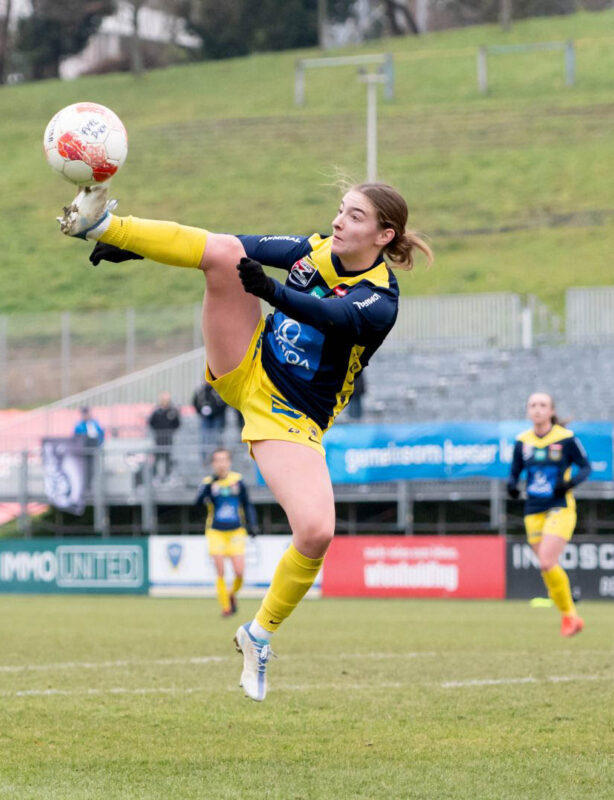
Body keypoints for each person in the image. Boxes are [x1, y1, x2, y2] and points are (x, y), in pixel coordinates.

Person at [58, 178, 432, 701]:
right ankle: (101, 222)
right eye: (339, 210)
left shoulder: (381, 300)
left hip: (291, 415)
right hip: (246, 359)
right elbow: (225, 244)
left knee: (317, 531)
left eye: (352, 216)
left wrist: (271, 290)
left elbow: (332, 316)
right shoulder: (313, 251)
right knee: (225, 251)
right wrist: (133, 245)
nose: (337, 222)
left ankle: (258, 635)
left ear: (383, 233)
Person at [507, 392, 591, 637]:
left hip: (560, 506)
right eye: (532, 405)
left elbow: (586, 467)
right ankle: (571, 617)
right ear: (528, 411)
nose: (537, 409)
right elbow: (515, 471)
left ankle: (570, 615)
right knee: (547, 567)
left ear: (551, 411)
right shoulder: (522, 441)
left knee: (546, 561)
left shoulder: (566, 438)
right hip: (532, 510)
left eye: (542, 405)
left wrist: (569, 483)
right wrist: (512, 485)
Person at [196, 448, 259, 617]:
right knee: (220, 571)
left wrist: (252, 525)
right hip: (215, 531)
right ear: (213, 463)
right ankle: (225, 608)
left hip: (236, 531)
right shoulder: (208, 482)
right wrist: (209, 486)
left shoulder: (237, 481)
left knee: (239, 572)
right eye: (217, 460)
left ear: (229, 462)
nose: (221, 463)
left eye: (224, 460)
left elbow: (247, 504)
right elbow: (197, 503)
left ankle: (231, 594)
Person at [147, 390, 181, 482]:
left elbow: (177, 423)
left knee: (168, 459)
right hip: (158, 439)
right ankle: (155, 477)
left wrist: (170, 431)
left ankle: (168, 476)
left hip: (169, 439)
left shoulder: (173, 411)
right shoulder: (156, 411)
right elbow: (151, 423)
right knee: (157, 458)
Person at [192, 380, 227, 463]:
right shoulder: (200, 391)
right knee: (204, 439)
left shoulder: (218, 390)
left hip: (217, 418)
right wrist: (201, 411)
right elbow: (195, 402)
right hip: (205, 418)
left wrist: (214, 411)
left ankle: (218, 459)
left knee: (216, 439)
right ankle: (205, 460)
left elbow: (224, 403)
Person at [73, 405, 104, 490]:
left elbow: (101, 435)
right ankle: (85, 487)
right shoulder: (79, 425)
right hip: (84, 450)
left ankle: (91, 487)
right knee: (84, 469)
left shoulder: (95, 423)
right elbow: (76, 437)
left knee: (93, 469)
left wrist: (99, 445)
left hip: (94, 449)